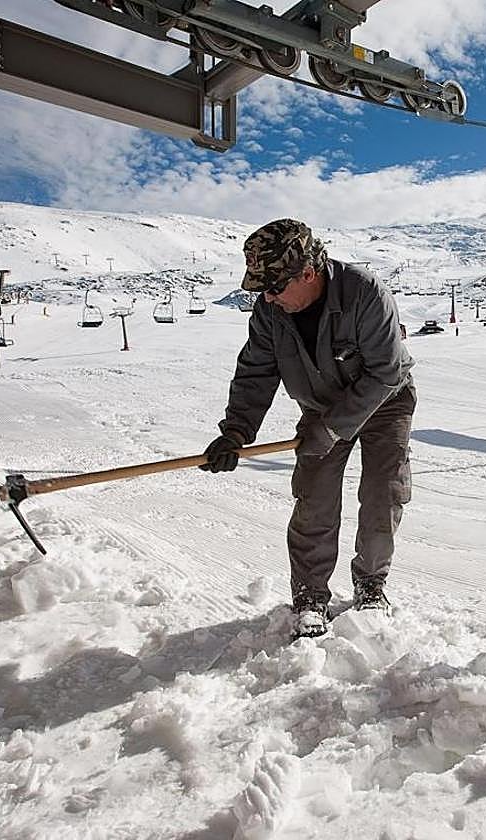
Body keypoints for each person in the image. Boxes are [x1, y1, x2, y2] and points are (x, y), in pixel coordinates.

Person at [200, 219, 416, 638]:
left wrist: (334, 427)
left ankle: (371, 583)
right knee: (314, 499)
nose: (267, 297)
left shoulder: (364, 292)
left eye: (275, 287)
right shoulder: (270, 311)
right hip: (321, 405)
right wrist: (235, 433)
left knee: (382, 493)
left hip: (386, 401)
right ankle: (310, 594)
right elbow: (255, 374)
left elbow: (386, 371)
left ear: (308, 273)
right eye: (261, 289)